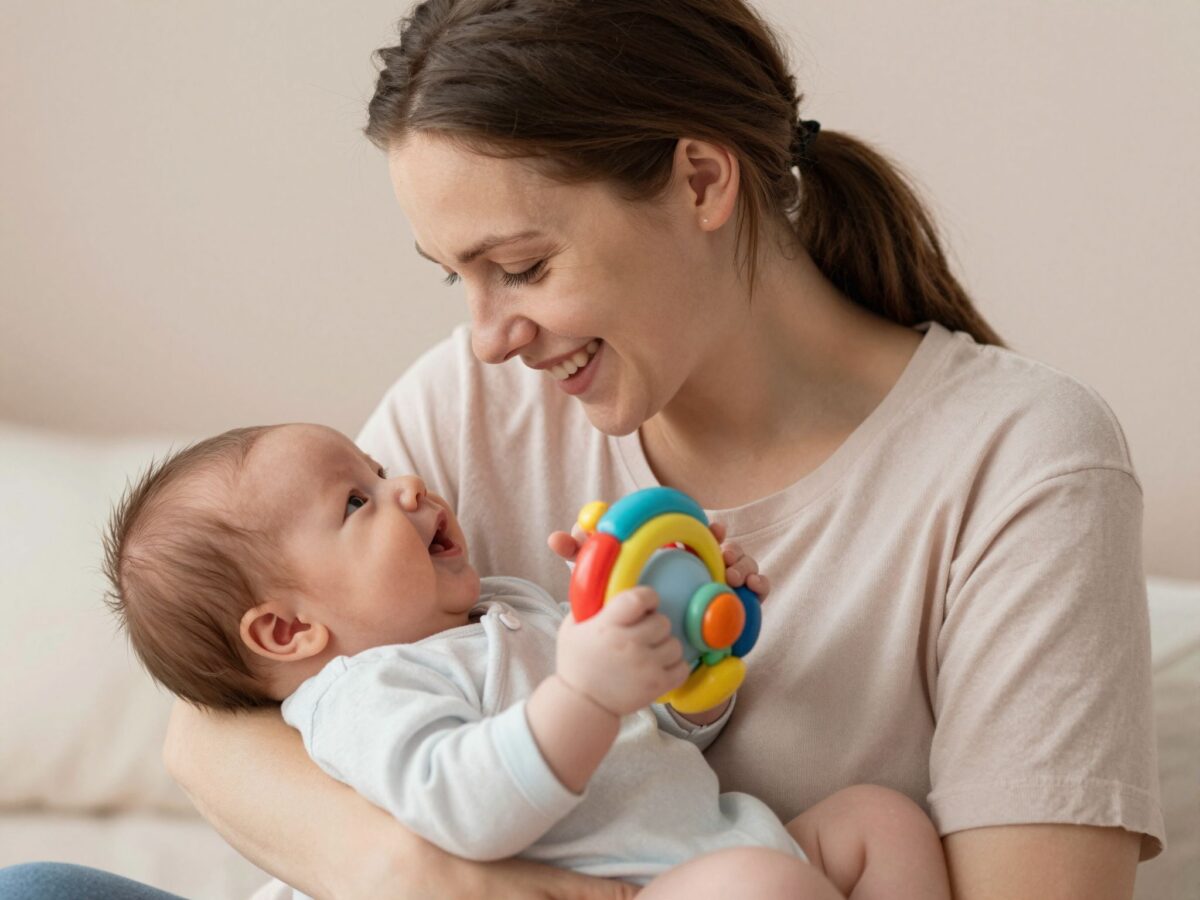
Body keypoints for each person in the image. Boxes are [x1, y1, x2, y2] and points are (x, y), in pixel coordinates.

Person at [0, 0, 1164, 897]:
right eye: (456, 277)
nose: (489, 334)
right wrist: (422, 878)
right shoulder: (478, 399)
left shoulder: (1023, 461)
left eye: (522, 265)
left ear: (701, 179)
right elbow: (223, 722)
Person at [91, 420, 952, 899]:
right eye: (357, 500)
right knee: (762, 891)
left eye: (381, 467)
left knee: (881, 823)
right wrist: (583, 688)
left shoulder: (505, 603)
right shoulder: (364, 696)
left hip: (702, 850)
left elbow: (663, 738)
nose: (406, 487)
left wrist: (685, 644)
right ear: (289, 633)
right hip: (630, 885)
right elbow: (466, 808)